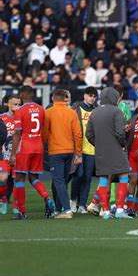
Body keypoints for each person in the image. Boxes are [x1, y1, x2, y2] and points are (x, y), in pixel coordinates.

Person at [10, 86, 55, 220]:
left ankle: (22, 212)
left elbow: (17, 133)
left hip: (25, 147)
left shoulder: (20, 111)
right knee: (34, 178)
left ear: (22, 95)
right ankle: (47, 197)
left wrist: (13, 154)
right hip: (38, 146)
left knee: (19, 179)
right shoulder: (41, 109)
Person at [86, 87, 131, 220]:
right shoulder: (116, 111)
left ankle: (105, 211)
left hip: (101, 151)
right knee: (123, 176)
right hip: (116, 150)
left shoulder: (94, 112)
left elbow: (89, 134)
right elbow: (120, 133)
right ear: (114, 97)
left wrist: (99, 144)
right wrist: (122, 144)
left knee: (104, 179)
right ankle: (119, 210)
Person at [43, 89, 82, 219]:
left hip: (55, 151)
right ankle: (59, 209)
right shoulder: (72, 113)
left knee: (58, 181)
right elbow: (78, 134)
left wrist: (44, 144)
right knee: (63, 181)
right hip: (69, 151)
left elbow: (44, 133)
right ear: (65, 98)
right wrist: (78, 153)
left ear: (53, 99)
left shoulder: (48, 113)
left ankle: (66, 210)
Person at [71, 86, 97, 214]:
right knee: (78, 175)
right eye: (90, 95)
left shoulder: (96, 111)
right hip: (78, 149)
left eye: (94, 96)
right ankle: (73, 201)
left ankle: (82, 205)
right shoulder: (76, 108)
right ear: (85, 96)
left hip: (92, 149)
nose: (92, 98)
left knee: (87, 177)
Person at [0, 95, 21, 215]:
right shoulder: (2, 118)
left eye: (19, 104)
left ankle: (15, 205)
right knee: (3, 179)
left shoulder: (21, 117)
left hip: (17, 154)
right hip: (4, 154)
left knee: (16, 179)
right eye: (15, 104)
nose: (17, 107)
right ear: (8, 104)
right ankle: (3, 199)